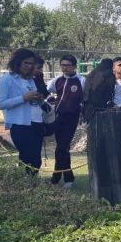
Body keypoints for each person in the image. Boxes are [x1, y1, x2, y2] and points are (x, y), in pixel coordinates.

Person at [0, 48, 45, 174]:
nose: (29, 66)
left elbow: (34, 102)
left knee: (36, 159)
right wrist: (23, 98)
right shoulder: (6, 80)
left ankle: (30, 184)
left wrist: (39, 99)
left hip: (37, 123)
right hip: (20, 125)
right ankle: (27, 184)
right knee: (29, 158)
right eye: (26, 63)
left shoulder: (31, 80)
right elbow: (0, 104)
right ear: (17, 62)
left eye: (32, 64)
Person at [47, 55, 85, 187]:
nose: (65, 68)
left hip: (72, 118)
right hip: (58, 118)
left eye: (68, 65)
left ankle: (56, 178)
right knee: (62, 148)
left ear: (74, 66)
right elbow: (46, 92)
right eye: (62, 65)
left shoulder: (81, 80)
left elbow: (86, 99)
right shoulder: (57, 80)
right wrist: (51, 101)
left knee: (62, 147)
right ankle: (68, 178)